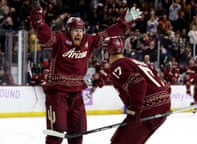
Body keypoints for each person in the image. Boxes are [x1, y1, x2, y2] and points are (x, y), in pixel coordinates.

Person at [29, 3, 142, 144]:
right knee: (55, 134)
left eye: (81, 30)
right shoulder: (59, 39)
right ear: (68, 30)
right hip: (57, 93)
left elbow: (106, 34)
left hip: (76, 93)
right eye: (75, 30)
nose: (79, 34)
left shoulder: (88, 41)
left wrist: (122, 23)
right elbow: (45, 37)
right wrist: (39, 22)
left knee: (77, 133)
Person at [103, 37, 171, 144]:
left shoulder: (117, 65)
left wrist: (135, 110)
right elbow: (163, 83)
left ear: (107, 52)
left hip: (147, 109)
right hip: (162, 105)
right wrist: (164, 99)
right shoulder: (136, 62)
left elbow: (138, 83)